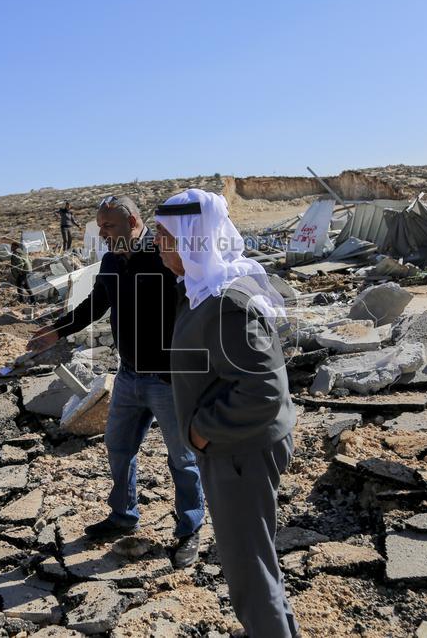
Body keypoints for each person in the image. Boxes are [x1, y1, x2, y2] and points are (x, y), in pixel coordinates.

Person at [28, 194, 205, 568]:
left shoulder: (164, 255)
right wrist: (56, 331)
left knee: (182, 458)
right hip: (128, 375)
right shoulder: (110, 261)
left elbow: (196, 305)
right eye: (100, 227)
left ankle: (189, 528)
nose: (103, 233)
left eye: (109, 226)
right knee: (119, 447)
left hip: (168, 379)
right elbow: (95, 304)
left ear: (134, 222)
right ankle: (124, 515)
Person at [153, 188, 299, 638]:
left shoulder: (226, 303)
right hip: (236, 448)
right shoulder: (203, 290)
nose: (157, 245)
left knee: (248, 573)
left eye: (164, 236)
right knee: (256, 560)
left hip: (238, 452)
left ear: (191, 238)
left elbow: (263, 391)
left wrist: (200, 431)